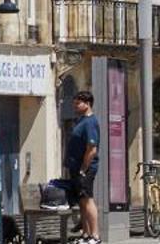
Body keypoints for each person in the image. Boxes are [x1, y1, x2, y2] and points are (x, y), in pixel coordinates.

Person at [65, 89, 101, 244]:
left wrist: (83, 168)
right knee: (81, 201)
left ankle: (95, 235)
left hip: (85, 168)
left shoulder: (91, 122)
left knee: (87, 200)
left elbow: (92, 149)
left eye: (78, 103)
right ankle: (86, 235)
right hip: (75, 167)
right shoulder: (80, 121)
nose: (75, 106)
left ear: (87, 104)